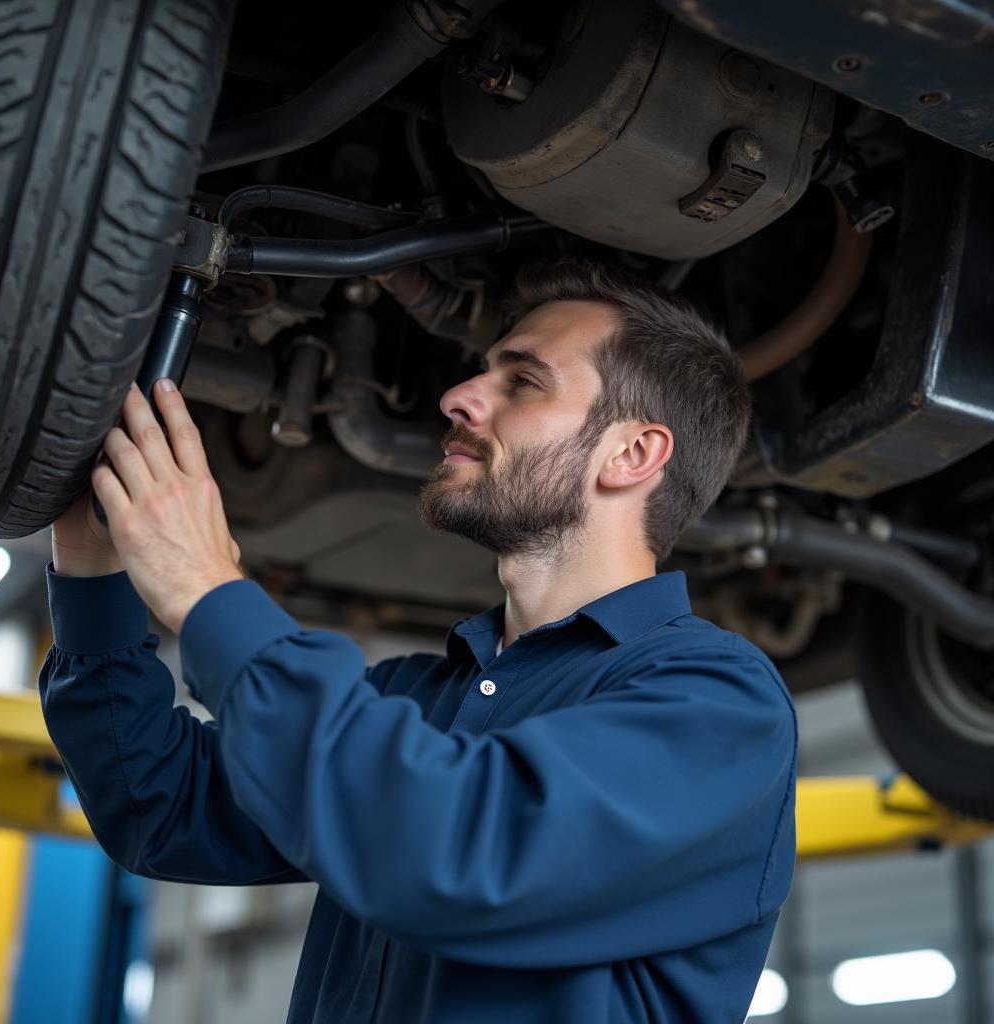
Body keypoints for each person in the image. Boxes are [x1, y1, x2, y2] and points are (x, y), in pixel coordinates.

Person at [41, 258, 796, 1023]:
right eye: (484, 374)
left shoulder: (717, 705)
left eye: (523, 382)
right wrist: (93, 571)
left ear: (632, 455)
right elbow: (160, 807)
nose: (458, 396)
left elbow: (457, 852)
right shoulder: (410, 700)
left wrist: (210, 592)